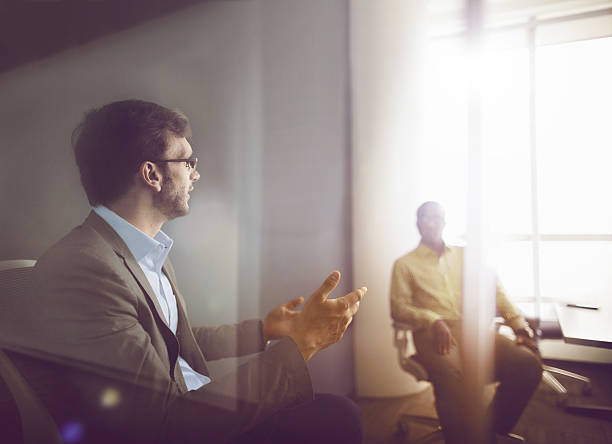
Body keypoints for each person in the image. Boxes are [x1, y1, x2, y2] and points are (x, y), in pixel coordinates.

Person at [11, 100, 366, 444]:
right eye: (187, 161)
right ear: (151, 173)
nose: (195, 173)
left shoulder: (146, 250)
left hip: (192, 407)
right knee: (338, 416)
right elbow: (162, 426)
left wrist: (264, 330)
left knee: (331, 412)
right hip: (181, 425)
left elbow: (170, 342)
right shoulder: (85, 269)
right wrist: (303, 344)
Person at [390, 201, 542, 444]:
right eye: (425, 218)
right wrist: (433, 319)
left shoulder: (464, 256)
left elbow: (496, 290)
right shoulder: (405, 264)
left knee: (527, 365)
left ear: (444, 222)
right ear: (417, 223)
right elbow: (399, 308)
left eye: (436, 217)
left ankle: (487, 430)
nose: (431, 222)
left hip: (470, 331)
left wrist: (519, 326)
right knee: (452, 375)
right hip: (432, 334)